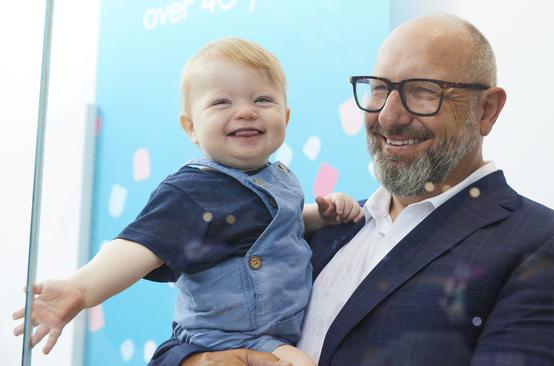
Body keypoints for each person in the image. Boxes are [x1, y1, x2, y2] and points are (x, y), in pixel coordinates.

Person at [152, 14, 554, 366]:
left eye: (422, 91)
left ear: (486, 110)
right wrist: (199, 360)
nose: (389, 116)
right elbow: (189, 333)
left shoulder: (551, 251)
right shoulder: (324, 224)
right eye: (378, 89)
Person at [12, 38, 365, 366]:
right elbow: (138, 245)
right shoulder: (193, 190)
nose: (245, 111)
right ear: (191, 128)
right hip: (224, 340)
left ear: (286, 118)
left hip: (273, 331)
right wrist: (80, 289)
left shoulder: (280, 178)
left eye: (262, 100)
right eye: (222, 102)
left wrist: (320, 215)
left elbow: (277, 227)